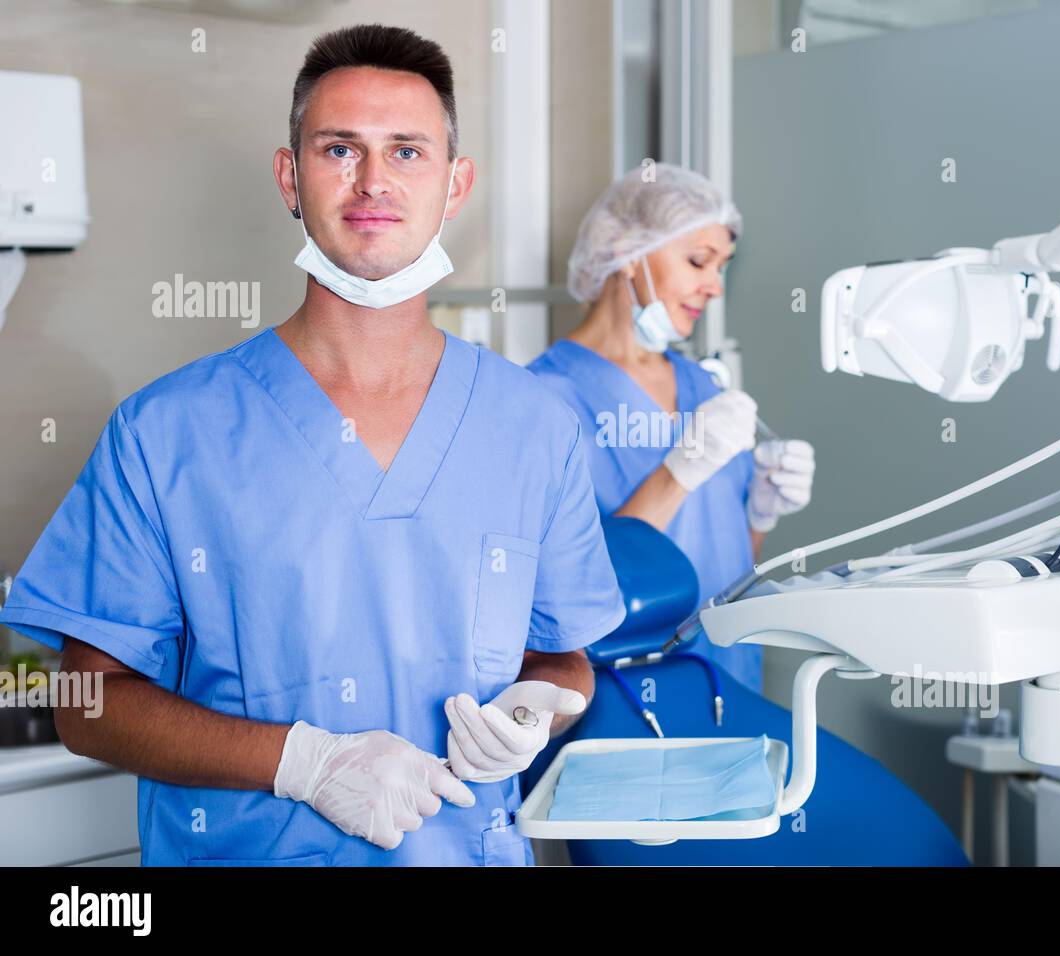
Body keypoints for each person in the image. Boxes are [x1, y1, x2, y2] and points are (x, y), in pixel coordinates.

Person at [0, 24, 624, 867]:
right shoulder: (166, 432)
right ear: (290, 178)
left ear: (455, 183)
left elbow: (563, 657)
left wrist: (536, 711)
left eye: (407, 151)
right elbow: (87, 704)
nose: (373, 181)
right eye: (340, 149)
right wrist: (303, 763)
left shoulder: (534, 426)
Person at [527, 164, 815, 694]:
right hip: (626, 700)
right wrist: (678, 473)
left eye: (722, 267)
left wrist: (760, 512)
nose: (715, 287)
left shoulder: (704, 388)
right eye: (698, 261)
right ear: (626, 252)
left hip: (731, 684)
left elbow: (727, 558)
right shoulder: (542, 400)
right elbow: (574, 596)